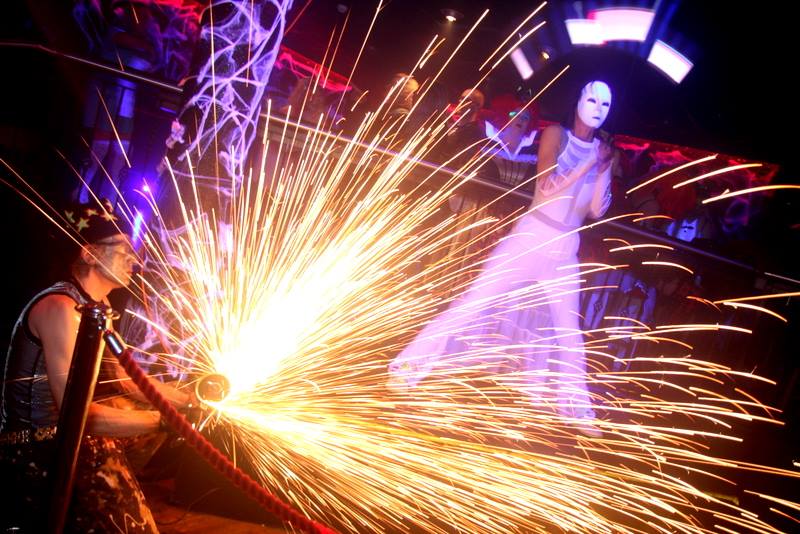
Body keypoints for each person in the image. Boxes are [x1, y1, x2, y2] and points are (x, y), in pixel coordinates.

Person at [389, 81, 615, 437]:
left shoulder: (601, 152)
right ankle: (408, 368)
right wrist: (589, 163)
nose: (599, 107)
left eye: (606, 102)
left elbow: (597, 210)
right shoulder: (556, 134)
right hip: (531, 235)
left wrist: (603, 169)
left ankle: (575, 408)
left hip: (565, 248)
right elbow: (547, 185)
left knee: (569, 330)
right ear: (578, 100)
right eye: (592, 98)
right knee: (474, 300)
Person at [0, 198, 190, 532]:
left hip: (67, 437)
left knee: (127, 410)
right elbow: (78, 415)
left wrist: (190, 401)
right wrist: (164, 422)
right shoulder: (61, 308)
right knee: (134, 526)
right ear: (88, 254)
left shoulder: (97, 305)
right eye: (122, 250)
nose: (134, 260)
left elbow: (126, 382)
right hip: (34, 447)